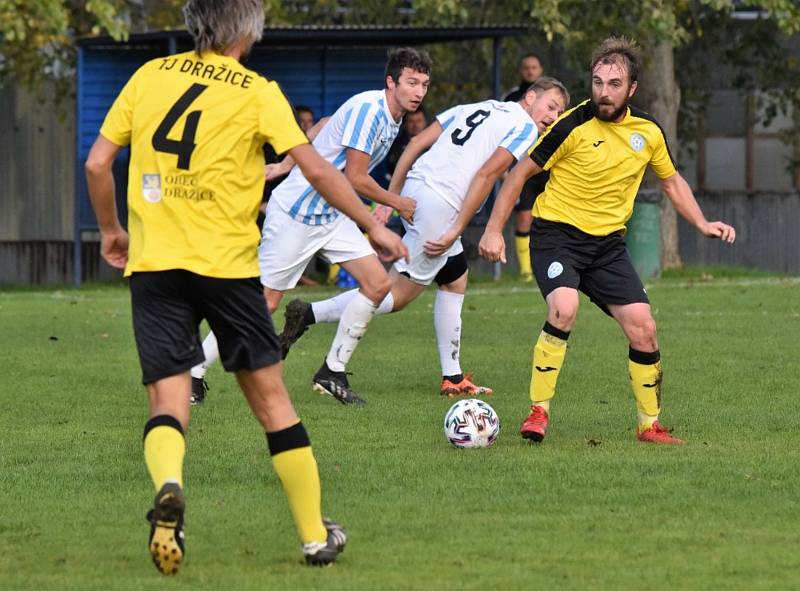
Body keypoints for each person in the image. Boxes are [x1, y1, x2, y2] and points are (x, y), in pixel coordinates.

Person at [84, 0, 406, 575]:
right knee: (273, 401)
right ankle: (313, 537)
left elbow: (97, 163)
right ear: (249, 31)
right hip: (227, 268)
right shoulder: (258, 91)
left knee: (168, 400)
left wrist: (112, 230)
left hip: (156, 264)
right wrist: (373, 224)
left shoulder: (149, 76)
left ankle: (171, 487)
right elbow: (318, 170)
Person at [478, 36, 736, 445]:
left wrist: (702, 223)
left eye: (614, 84)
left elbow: (671, 182)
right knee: (564, 307)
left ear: (632, 89)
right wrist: (493, 229)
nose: (603, 91)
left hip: (607, 246)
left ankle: (648, 425)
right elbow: (517, 175)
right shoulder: (572, 124)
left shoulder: (648, 132)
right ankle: (538, 412)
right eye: (598, 82)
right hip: (557, 235)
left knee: (644, 329)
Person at [280, 77, 570, 400]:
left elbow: (416, 143)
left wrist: (393, 198)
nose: (553, 116)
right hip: (440, 208)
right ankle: (315, 329)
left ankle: (453, 377)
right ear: (530, 97)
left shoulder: (478, 107)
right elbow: (487, 175)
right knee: (394, 296)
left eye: (560, 112)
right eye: (551, 106)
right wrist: (456, 229)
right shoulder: (525, 127)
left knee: (455, 278)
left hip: (418, 187)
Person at [189, 47, 431, 406]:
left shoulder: (391, 115)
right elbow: (357, 178)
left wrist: (286, 163)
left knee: (378, 283)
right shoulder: (370, 110)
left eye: (424, 84)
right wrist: (396, 203)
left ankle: (331, 372)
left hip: (331, 216)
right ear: (391, 82)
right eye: (411, 83)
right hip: (297, 215)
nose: (419, 92)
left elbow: (322, 123)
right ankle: (192, 374)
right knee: (263, 304)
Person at [505, 52, 546, 282]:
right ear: (521, 71)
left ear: (540, 70)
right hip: (522, 163)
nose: (530, 71)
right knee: (524, 216)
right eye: (526, 67)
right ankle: (526, 271)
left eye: (534, 67)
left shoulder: (552, 96)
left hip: (548, 164)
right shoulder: (512, 97)